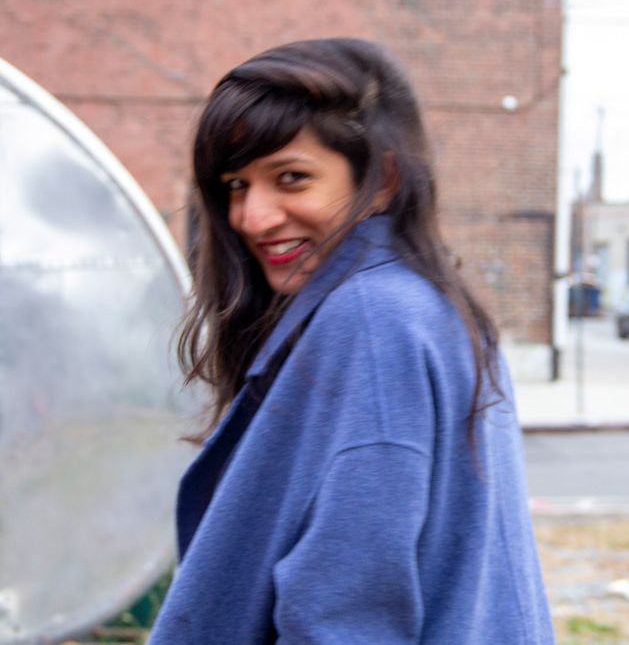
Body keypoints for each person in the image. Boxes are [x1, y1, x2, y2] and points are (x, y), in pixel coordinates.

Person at [148, 38, 554, 644]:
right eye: (236, 185)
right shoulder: (427, 305)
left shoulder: (371, 318)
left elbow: (346, 611)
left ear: (384, 180)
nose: (253, 217)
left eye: (292, 177)